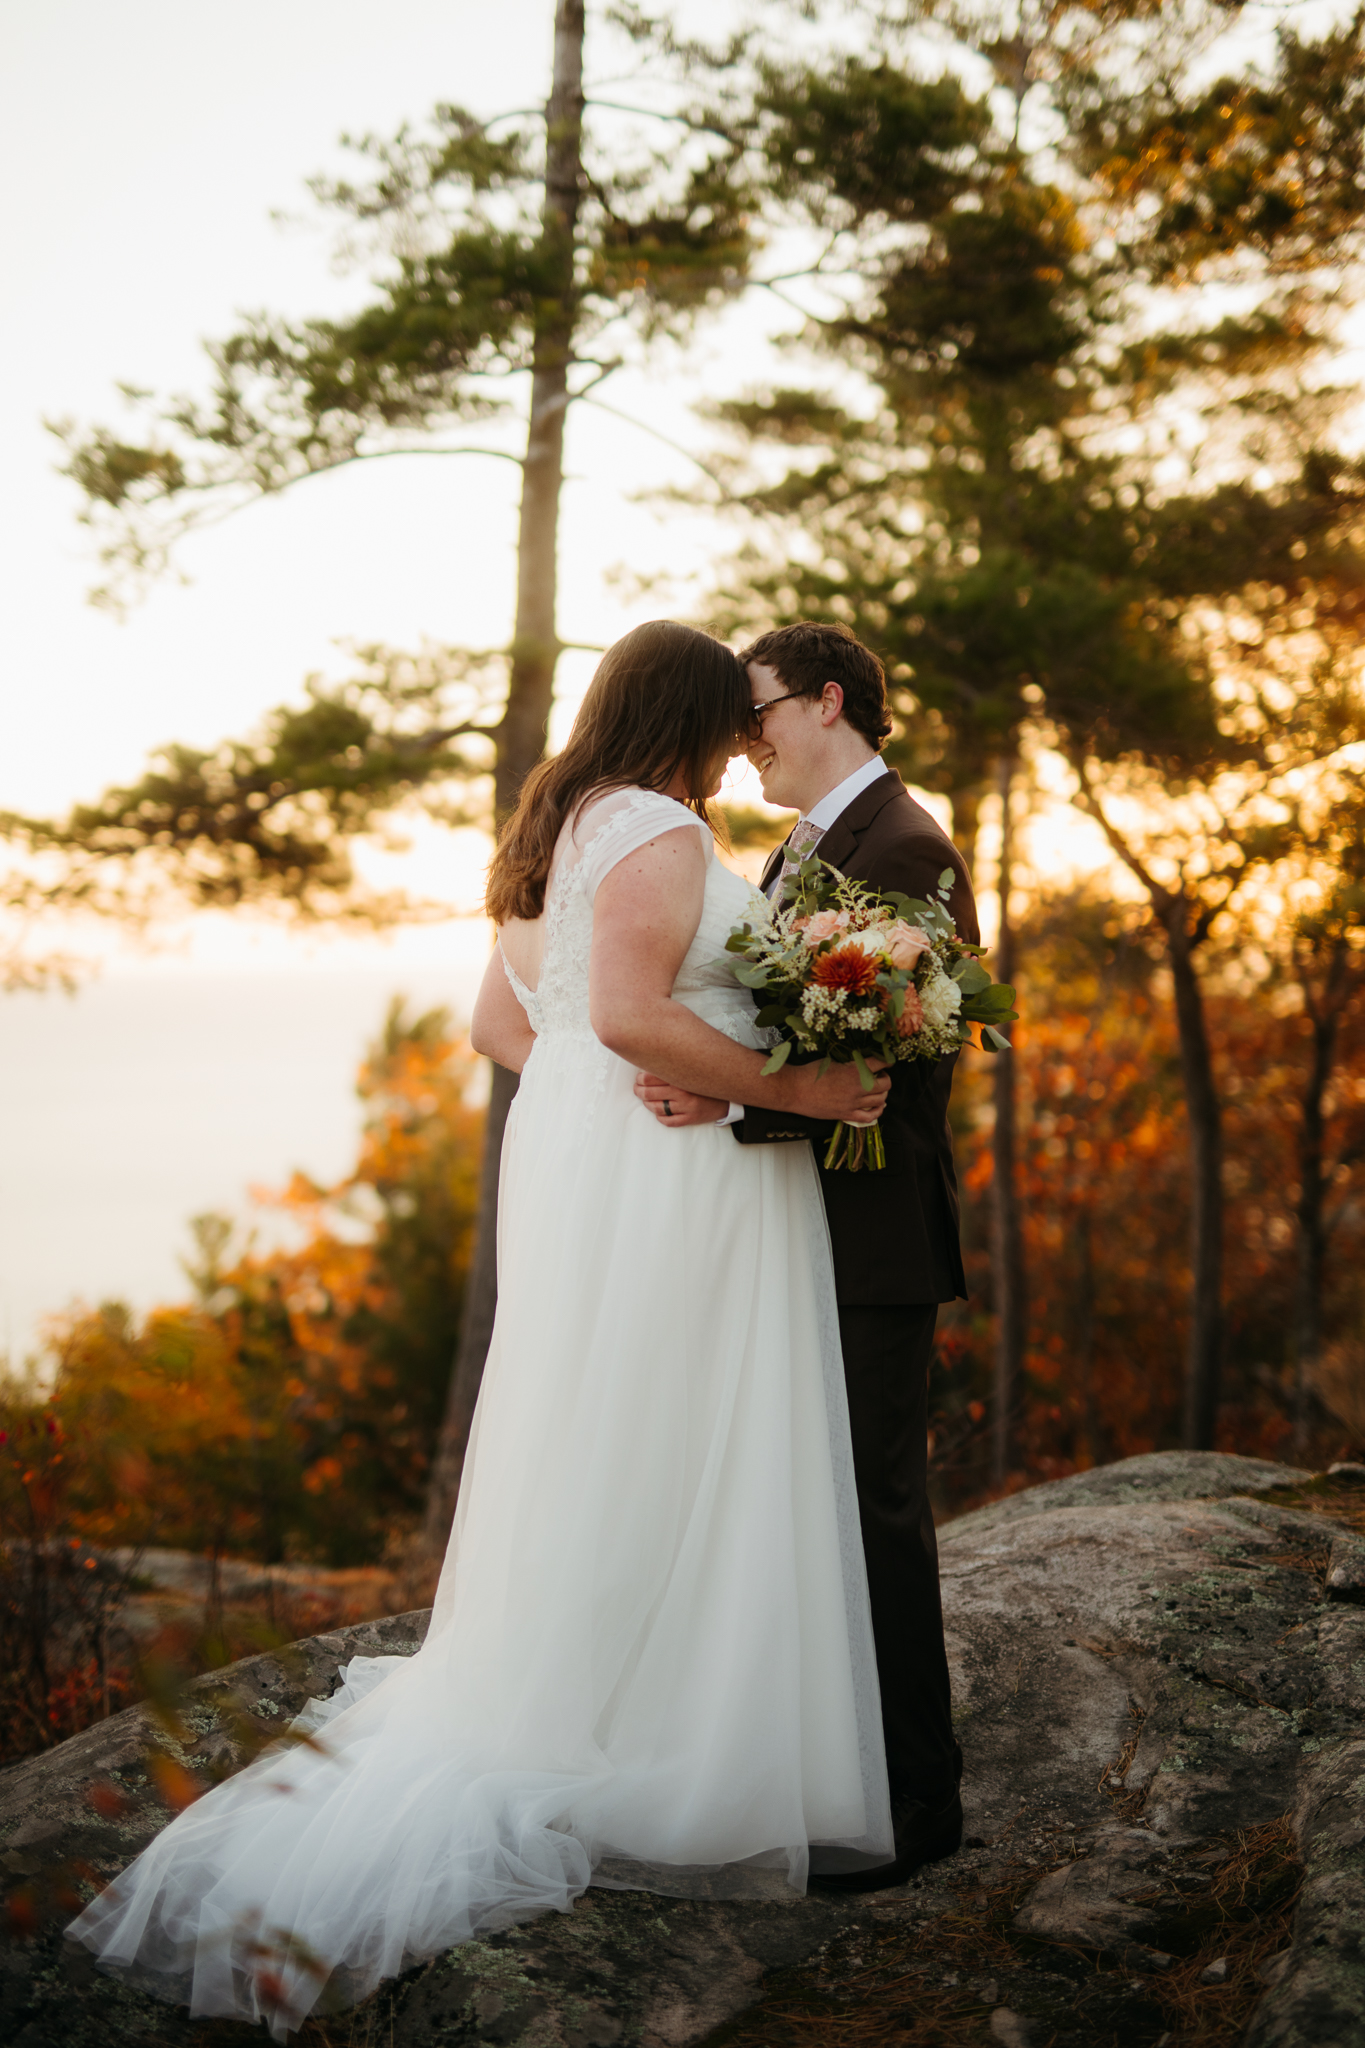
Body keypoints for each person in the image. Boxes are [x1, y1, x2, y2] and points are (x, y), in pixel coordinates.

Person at [68, 621, 894, 2039]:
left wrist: (600, 1071)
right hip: (669, 1171)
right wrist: (789, 1089)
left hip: (587, 1155)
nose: (745, 742)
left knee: (603, 1414)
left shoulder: (555, 826)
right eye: (729, 719)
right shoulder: (660, 830)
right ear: (686, 716)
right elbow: (630, 1011)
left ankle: (613, 1659)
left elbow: (507, 1029)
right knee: (672, 1421)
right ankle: (654, 1714)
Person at [635, 621, 977, 1889]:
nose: (745, 733)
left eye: (760, 707)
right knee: (805, 1512)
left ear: (827, 702)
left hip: (873, 1236)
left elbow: (909, 1064)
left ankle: (920, 1805)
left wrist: (735, 1105)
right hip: (795, 1230)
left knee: (876, 1515)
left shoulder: (906, 845)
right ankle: (825, 1777)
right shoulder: (802, 844)